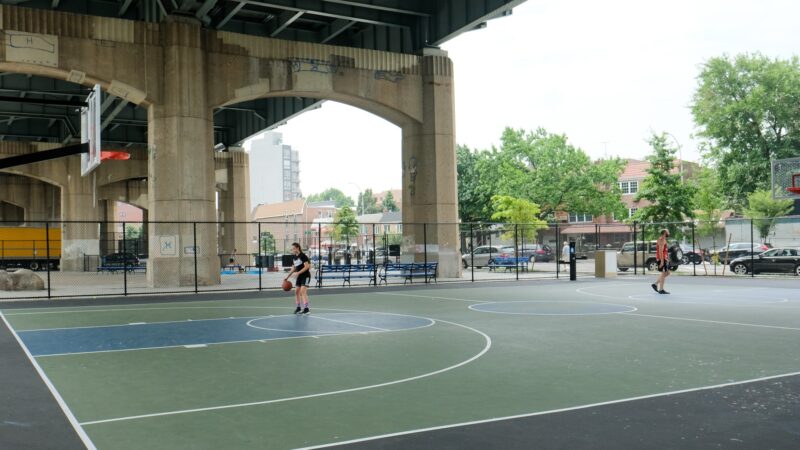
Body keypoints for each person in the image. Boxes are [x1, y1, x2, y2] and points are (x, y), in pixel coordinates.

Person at [285, 242, 311, 314]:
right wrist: (287, 277)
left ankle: (306, 308)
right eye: (292, 249)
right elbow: (293, 269)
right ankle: (298, 307)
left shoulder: (303, 256)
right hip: (299, 277)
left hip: (306, 276)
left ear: (297, 248)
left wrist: (298, 273)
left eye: (293, 248)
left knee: (302, 292)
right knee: (296, 292)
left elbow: (307, 266)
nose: (292, 250)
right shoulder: (294, 257)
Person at [652, 229, 671, 294]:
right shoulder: (661, 240)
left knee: (667, 273)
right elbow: (660, 251)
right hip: (661, 259)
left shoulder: (664, 239)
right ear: (665, 233)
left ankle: (655, 284)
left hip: (664, 258)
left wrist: (666, 258)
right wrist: (662, 261)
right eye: (668, 232)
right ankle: (661, 289)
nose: (669, 233)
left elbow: (664, 251)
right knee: (664, 273)